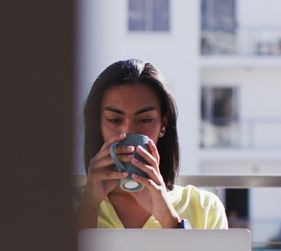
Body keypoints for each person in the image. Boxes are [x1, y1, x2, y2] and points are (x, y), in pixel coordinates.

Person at [76, 59, 228, 230]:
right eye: (114, 120)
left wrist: (169, 219)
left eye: (145, 120)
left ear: (163, 125)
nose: (128, 132)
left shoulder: (204, 207)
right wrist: (89, 203)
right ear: (98, 125)